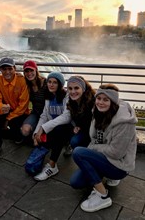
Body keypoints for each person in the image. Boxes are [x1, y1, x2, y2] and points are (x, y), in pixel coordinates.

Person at [70, 84, 137, 213]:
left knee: (78, 152)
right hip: (104, 157)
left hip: (119, 166)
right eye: (99, 98)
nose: (101, 102)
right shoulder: (97, 112)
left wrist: (92, 149)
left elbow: (116, 153)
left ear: (113, 102)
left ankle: (103, 196)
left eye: (106, 100)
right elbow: (95, 137)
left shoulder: (124, 122)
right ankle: (106, 175)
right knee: (76, 182)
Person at [32, 71, 71, 181]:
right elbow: (44, 115)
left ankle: (52, 166)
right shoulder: (48, 96)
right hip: (53, 128)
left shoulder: (66, 96)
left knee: (59, 130)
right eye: (49, 82)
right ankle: (66, 145)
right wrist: (36, 132)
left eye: (55, 82)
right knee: (41, 139)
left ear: (60, 85)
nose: (51, 84)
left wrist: (43, 129)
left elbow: (66, 117)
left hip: (68, 128)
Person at [0, 57, 30, 158]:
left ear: (15, 69)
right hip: (6, 108)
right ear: (0, 70)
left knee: (14, 123)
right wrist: (1, 107)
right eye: (4, 69)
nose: (7, 72)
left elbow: (23, 104)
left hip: (20, 111)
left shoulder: (22, 81)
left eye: (10, 69)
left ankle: (17, 136)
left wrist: (8, 118)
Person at [64, 76, 96, 156]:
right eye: (70, 89)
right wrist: (76, 126)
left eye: (76, 88)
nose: (73, 91)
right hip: (83, 129)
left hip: (93, 132)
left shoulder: (92, 102)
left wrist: (80, 127)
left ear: (83, 89)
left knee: (77, 142)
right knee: (73, 141)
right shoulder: (72, 101)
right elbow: (76, 118)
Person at [21, 60, 47, 140]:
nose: (29, 73)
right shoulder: (26, 85)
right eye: (26, 71)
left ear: (36, 70)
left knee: (40, 137)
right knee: (25, 131)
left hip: (47, 114)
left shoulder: (45, 83)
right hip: (35, 113)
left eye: (31, 70)